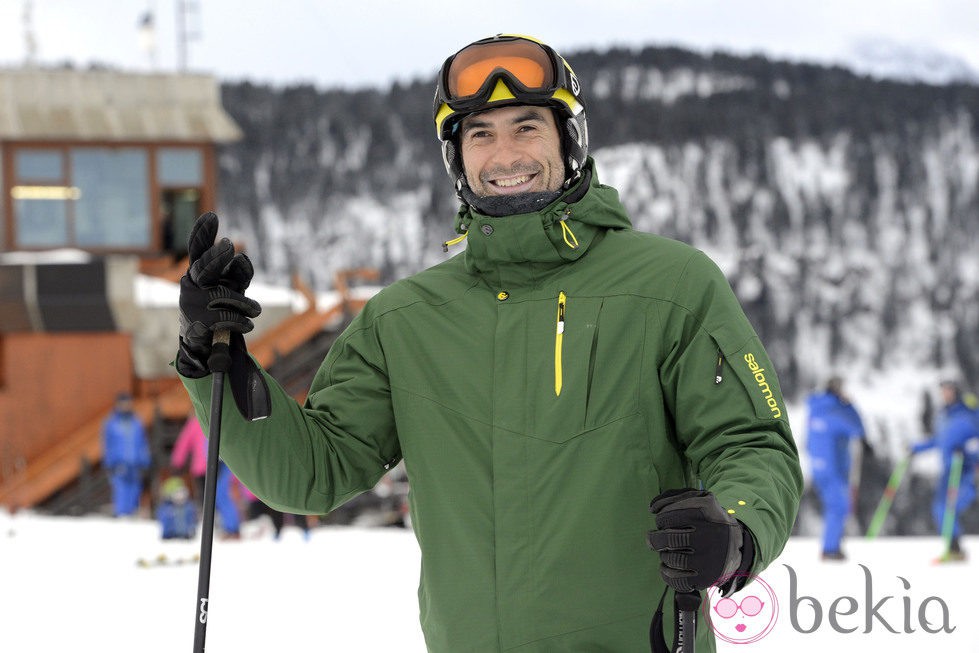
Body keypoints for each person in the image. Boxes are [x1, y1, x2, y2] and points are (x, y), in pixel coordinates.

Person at [174, 34, 802, 651]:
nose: (505, 154)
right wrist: (213, 358)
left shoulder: (672, 286)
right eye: (480, 133)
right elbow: (311, 473)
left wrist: (737, 529)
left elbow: (750, 443)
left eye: (527, 127)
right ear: (457, 159)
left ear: (569, 138)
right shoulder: (405, 319)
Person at [909, 380, 979, 560]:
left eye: (949, 391)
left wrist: (967, 450)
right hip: (949, 469)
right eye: (943, 391)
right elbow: (938, 440)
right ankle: (954, 547)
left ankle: (955, 549)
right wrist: (916, 448)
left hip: (967, 469)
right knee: (941, 507)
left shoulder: (970, 412)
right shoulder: (943, 416)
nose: (946, 395)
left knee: (949, 505)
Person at [805, 376, 868, 561]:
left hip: (818, 466)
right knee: (839, 507)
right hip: (834, 468)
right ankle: (830, 548)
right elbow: (856, 428)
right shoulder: (836, 411)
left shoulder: (815, 409)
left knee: (833, 506)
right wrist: (849, 406)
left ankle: (833, 544)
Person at [170, 414, 241, 538]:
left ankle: (228, 527)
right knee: (210, 498)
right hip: (205, 468)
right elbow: (185, 442)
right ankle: (218, 526)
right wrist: (177, 462)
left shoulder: (202, 420)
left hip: (215, 466)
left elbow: (184, 442)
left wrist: (177, 462)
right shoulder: (198, 421)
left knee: (218, 496)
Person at [101, 392, 151, 517]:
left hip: (135, 463)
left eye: (128, 403)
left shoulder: (136, 422)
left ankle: (132, 513)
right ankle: (121, 514)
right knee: (121, 490)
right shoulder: (111, 423)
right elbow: (108, 444)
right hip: (119, 463)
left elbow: (142, 442)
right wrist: (109, 462)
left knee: (135, 490)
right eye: (123, 403)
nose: (126, 406)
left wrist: (145, 459)